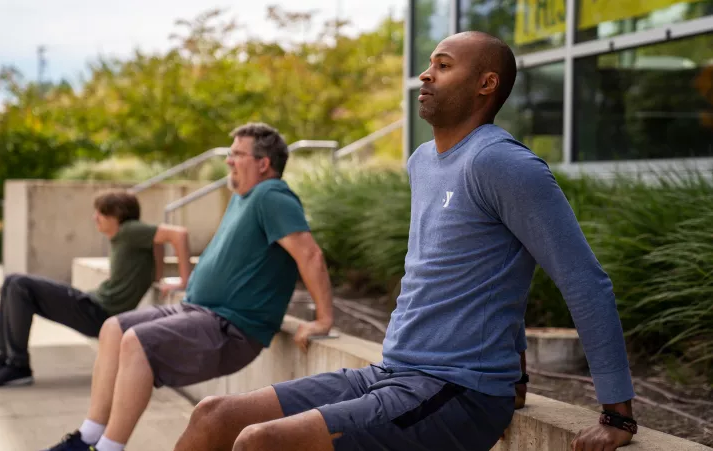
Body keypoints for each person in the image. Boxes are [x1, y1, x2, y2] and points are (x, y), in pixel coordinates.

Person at [171, 31, 638, 451]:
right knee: (215, 414)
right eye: (430, 64)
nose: (425, 74)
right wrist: (517, 374)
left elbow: (584, 282)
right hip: (391, 371)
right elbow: (477, 266)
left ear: (486, 84)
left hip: (455, 390)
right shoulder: (423, 161)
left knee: (262, 442)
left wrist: (617, 413)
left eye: (443, 65)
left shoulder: (504, 164)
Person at [40, 122, 335, 451]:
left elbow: (310, 254)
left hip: (230, 325)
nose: (228, 161)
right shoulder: (244, 198)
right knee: (113, 328)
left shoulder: (272, 195)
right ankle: (88, 437)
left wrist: (323, 319)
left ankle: (108, 448)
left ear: (263, 163)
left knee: (137, 342)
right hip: (198, 310)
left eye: (237, 154)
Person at [0, 190, 192, 388]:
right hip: (93, 305)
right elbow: (157, 241)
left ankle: (16, 365)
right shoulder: (130, 236)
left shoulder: (129, 230)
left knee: (19, 283)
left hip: (98, 312)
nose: (95, 218)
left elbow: (178, 234)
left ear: (118, 215)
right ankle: (5, 359)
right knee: (12, 283)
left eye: (101, 213)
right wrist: (158, 276)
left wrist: (184, 281)